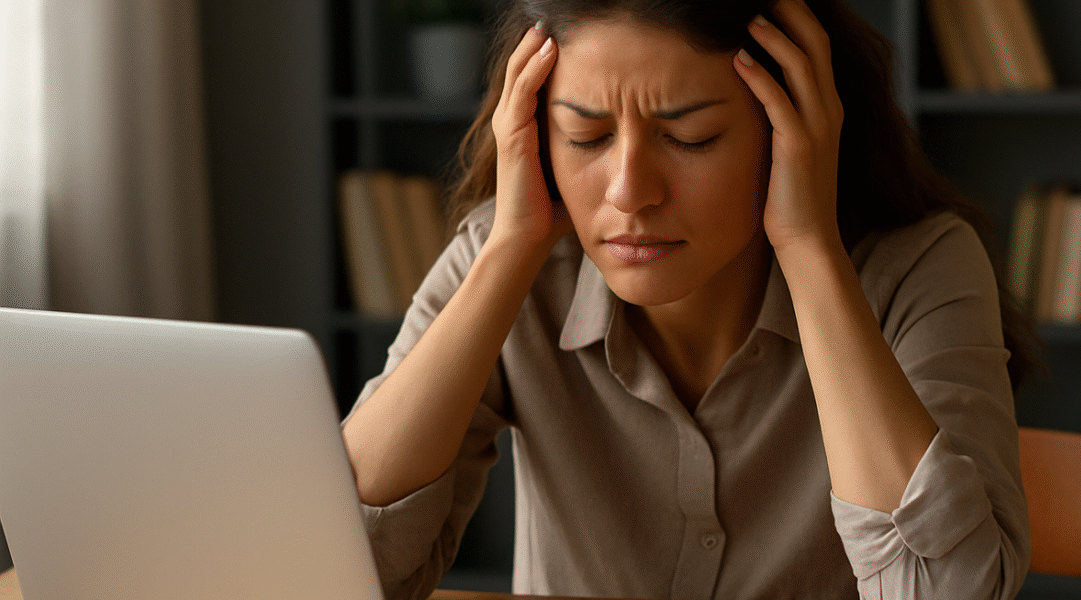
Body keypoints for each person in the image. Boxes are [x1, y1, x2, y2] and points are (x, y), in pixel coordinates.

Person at [339, 0, 1040, 598]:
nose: (628, 192)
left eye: (689, 137)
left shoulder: (919, 267)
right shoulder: (507, 257)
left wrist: (807, 245)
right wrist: (508, 251)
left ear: (790, 125)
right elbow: (340, 566)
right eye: (586, 136)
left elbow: (946, 590)